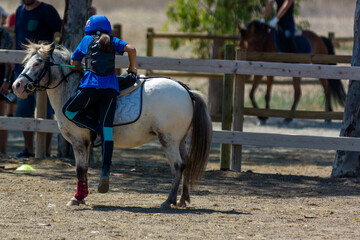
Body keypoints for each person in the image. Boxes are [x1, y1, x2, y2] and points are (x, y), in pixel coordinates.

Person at [62, 15, 137, 193]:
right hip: (110, 90)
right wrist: (132, 68)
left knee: (68, 111)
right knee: (107, 130)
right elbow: (131, 49)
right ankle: (105, 172)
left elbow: (74, 63)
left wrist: (82, 66)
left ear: (89, 28)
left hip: (90, 87)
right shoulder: (112, 40)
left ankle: (92, 127)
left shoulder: (86, 40)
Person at [14, 0, 62, 158]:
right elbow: (16, 39)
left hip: (42, 70)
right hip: (23, 69)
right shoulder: (20, 11)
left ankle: (45, 151)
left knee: (47, 111)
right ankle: (29, 150)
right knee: (24, 109)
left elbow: (59, 35)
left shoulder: (47, 10)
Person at [0, 9, 14, 158]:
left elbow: (9, 61)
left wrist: (6, 81)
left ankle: (2, 151)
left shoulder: (5, 35)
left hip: (1, 80)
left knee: (1, 117)